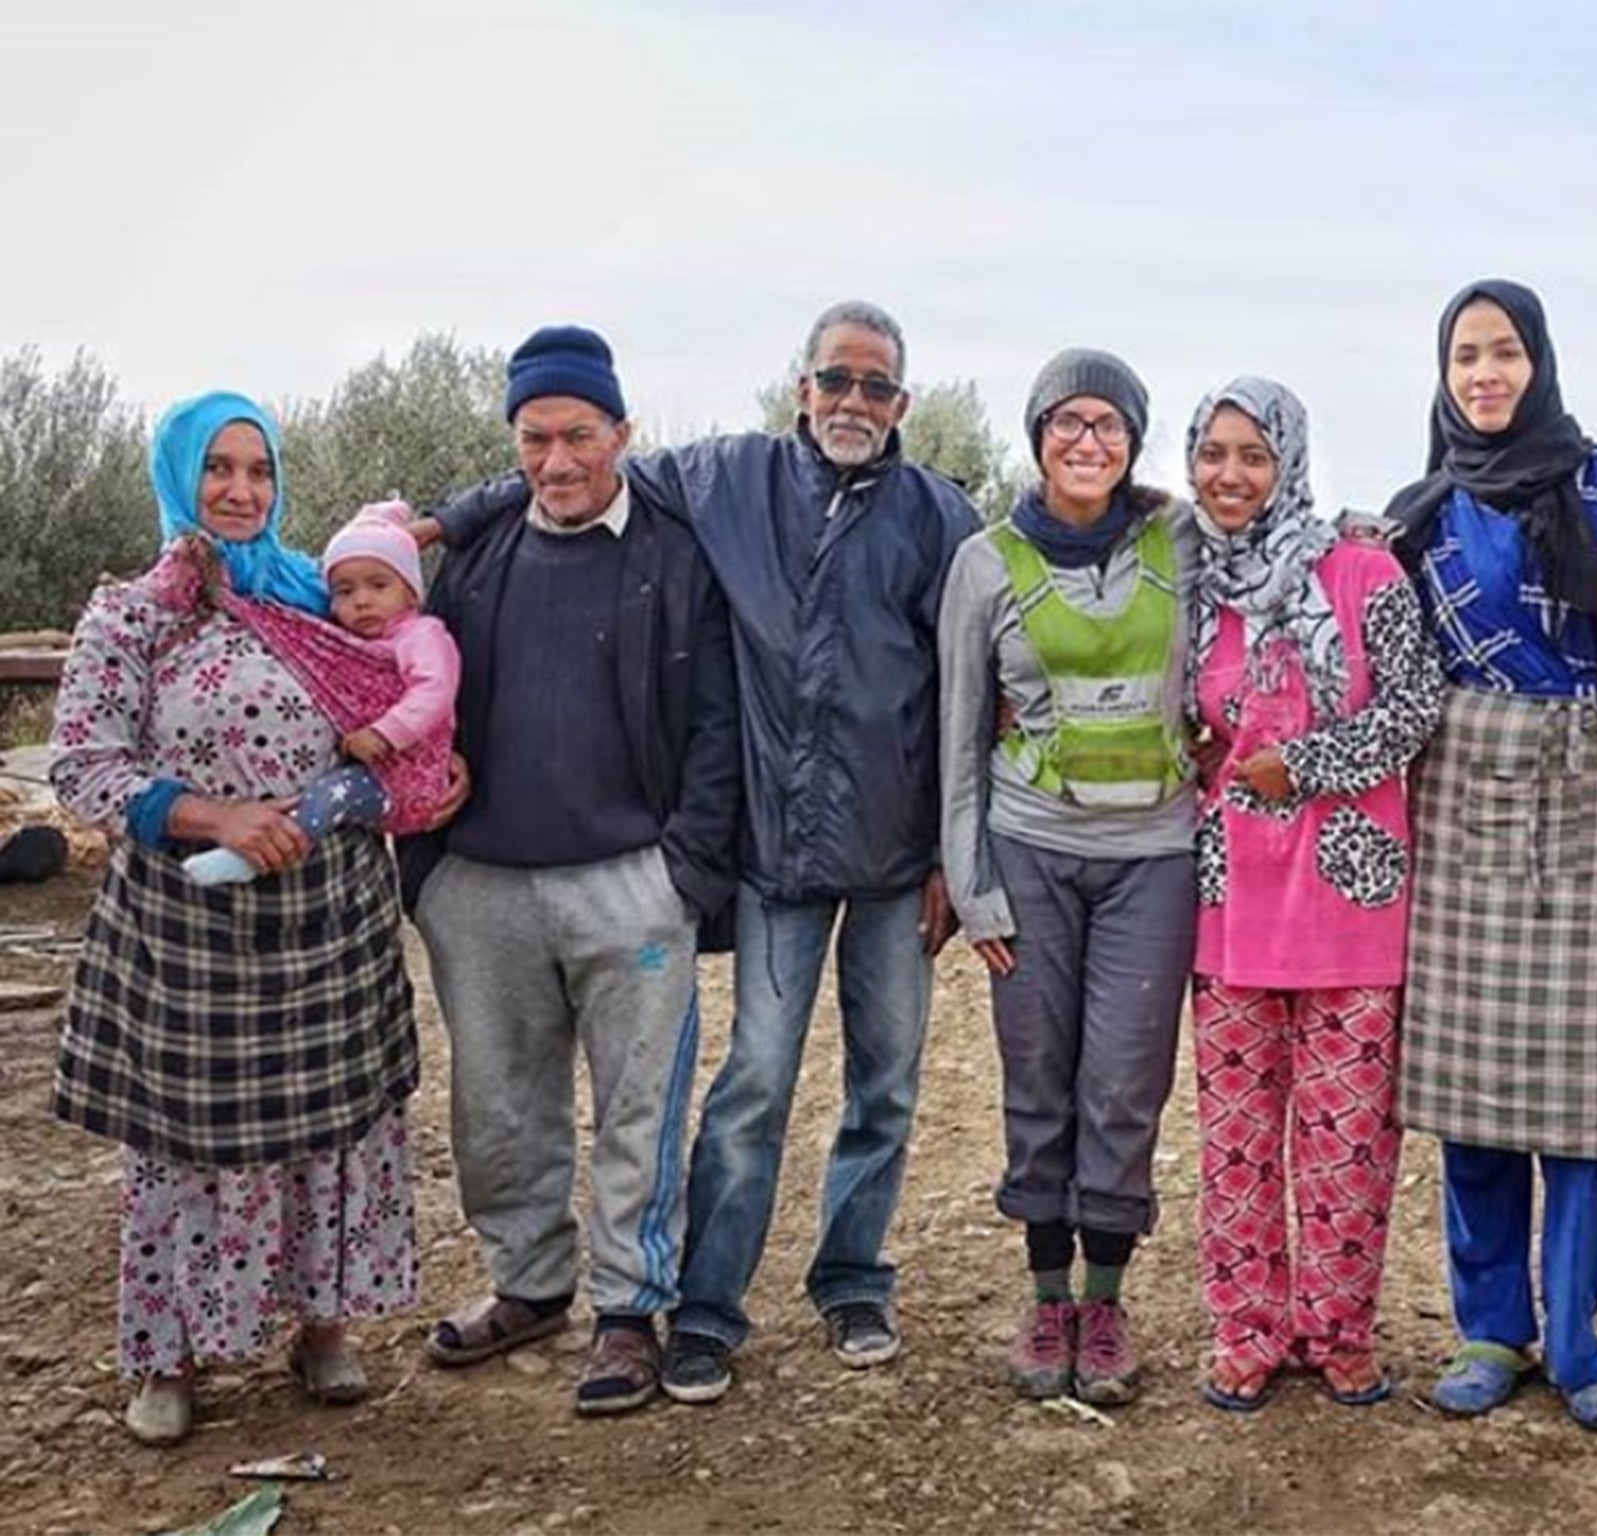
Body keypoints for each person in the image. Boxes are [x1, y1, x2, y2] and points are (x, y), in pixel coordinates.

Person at [423, 303, 977, 1405]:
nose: (852, 403)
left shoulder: (940, 515)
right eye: (836, 381)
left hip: (892, 856)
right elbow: (567, 466)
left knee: (887, 1087)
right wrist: (443, 520)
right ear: (801, 388)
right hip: (772, 855)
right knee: (751, 1085)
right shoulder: (728, 477)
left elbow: (971, 688)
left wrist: (953, 856)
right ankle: (709, 1307)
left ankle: (852, 1276)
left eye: (875, 387)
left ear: (902, 405)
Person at [49, 392, 423, 1446]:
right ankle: (165, 1357)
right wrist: (209, 813)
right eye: (218, 467)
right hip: (187, 925)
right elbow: (82, 765)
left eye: (259, 469)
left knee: (333, 1129)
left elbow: (404, 699)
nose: (241, 490)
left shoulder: (321, 595)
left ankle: (321, 1327)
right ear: (179, 475)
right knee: (186, 1146)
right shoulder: (136, 612)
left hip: (327, 918)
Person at [1386, 281, 1597, 1433]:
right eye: (1465, 355)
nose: (1485, 375)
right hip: (1460, 808)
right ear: (1442, 371)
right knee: (1471, 1095)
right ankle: (1489, 1329)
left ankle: (1575, 1338)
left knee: (1586, 1093)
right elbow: (1390, 683)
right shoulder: (1415, 516)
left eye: (1505, 352)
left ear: (1541, 361)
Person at [401, 326, 743, 1417]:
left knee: (639, 1107)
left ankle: (629, 1311)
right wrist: (427, 873)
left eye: (578, 436)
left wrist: (681, 872)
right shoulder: (477, 553)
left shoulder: (676, 556)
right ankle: (529, 1284)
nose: (557, 462)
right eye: (534, 439)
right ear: (514, 446)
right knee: (499, 1106)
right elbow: (415, 710)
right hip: (483, 885)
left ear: (621, 436)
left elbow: (715, 729)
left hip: (629, 883)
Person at [939, 348, 1197, 1406]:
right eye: (1065, 421)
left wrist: (1377, 529)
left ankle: (1106, 1300)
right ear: (1035, 432)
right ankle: (1046, 1298)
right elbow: (955, 737)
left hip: (1154, 858)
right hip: (1030, 853)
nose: (1085, 441)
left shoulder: (1179, 538)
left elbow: (1279, 532)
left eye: (1108, 423)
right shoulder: (984, 563)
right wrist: (970, 883)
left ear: (1134, 439)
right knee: (1038, 1078)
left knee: (1125, 1086)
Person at [1182, 378, 1442, 1412]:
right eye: (1213, 453)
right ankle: (1246, 1329)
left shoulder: (1363, 571)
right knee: (1235, 1141)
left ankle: (1337, 1332)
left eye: (1253, 455)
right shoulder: (1192, 584)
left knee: (1344, 1144)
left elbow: (1416, 703)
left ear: (1288, 460)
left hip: (1349, 901)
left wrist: (1309, 762)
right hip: (1230, 905)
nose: (1231, 475)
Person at [182, 499, 458, 886]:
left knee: (333, 793)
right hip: (374, 774)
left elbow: (435, 692)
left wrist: (384, 733)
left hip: (405, 782)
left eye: (379, 585)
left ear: (411, 591)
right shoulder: (341, 639)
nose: (361, 600)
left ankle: (253, 860)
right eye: (344, 591)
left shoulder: (422, 635)